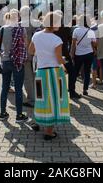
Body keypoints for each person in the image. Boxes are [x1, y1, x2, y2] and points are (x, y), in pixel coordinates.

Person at [29, 12, 70, 140]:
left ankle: (37, 121)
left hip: (41, 72)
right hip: (54, 73)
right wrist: (65, 61)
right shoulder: (57, 39)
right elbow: (58, 59)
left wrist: (42, 54)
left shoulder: (36, 35)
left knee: (41, 98)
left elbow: (31, 51)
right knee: (55, 100)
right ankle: (48, 131)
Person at [0, 9, 28, 123]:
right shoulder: (22, 30)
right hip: (18, 63)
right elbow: (25, 46)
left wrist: (0, 54)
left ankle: (2, 113)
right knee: (18, 89)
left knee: (4, 88)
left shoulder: (2, 29)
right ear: (18, 18)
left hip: (5, 62)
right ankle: (19, 115)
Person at [53, 10, 81, 99]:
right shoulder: (64, 28)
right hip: (60, 54)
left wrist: (70, 53)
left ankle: (71, 92)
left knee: (72, 72)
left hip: (61, 54)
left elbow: (70, 41)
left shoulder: (64, 28)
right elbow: (70, 41)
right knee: (71, 72)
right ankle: (69, 92)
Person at [70, 15, 97, 96]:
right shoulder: (90, 31)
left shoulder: (76, 30)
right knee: (87, 71)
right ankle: (85, 89)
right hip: (89, 53)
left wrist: (72, 53)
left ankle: (72, 89)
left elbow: (73, 44)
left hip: (79, 54)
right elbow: (93, 43)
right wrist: (94, 50)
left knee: (75, 71)